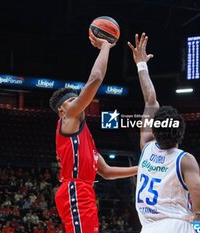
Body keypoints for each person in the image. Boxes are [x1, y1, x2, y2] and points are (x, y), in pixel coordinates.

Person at [49, 32, 138, 233]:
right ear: (62, 110)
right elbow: (95, 78)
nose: (76, 103)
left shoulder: (84, 139)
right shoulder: (68, 118)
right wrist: (106, 46)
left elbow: (106, 171)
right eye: (71, 101)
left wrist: (140, 169)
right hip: (75, 188)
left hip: (84, 190)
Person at [128, 33, 200, 233]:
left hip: (148, 228)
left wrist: (141, 65)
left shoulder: (146, 146)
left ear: (154, 130)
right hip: (176, 226)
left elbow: (150, 99)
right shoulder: (185, 160)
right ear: (181, 132)